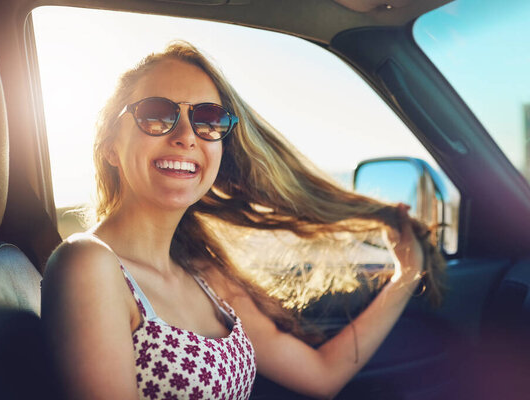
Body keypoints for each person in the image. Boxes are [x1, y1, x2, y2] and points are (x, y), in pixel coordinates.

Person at [41, 41, 445, 400]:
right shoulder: (89, 265)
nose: (186, 135)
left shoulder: (203, 273)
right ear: (111, 147)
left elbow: (321, 376)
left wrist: (405, 276)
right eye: (156, 114)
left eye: (208, 119)